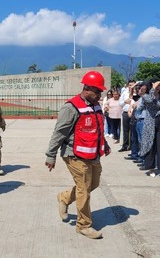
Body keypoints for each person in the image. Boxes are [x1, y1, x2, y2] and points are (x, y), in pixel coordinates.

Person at [45, 70, 111, 239]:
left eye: (101, 91)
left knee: (93, 184)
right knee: (84, 190)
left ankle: (64, 198)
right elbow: (59, 133)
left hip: (92, 153)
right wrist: (50, 155)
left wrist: (106, 144)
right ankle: (83, 225)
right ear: (87, 88)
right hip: (74, 154)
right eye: (97, 91)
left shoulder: (95, 105)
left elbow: (97, 129)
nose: (100, 94)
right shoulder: (71, 107)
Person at [137, 79, 160, 177]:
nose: (157, 88)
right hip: (150, 124)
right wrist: (153, 88)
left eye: (158, 86)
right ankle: (151, 168)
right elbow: (150, 100)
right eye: (155, 86)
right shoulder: (146, 96)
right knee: (150, 146)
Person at [118, 80, 135, 152]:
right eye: (130, 85)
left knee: (133, 130)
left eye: (132, 85)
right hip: (125, 113)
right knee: (125, 130)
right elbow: (120, 103)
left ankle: (132, 146)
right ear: (128, 85)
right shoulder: (124, 93)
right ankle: (125, 145)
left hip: (134, 113)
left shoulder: (137, 93)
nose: (131, 86)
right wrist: (125, 101)